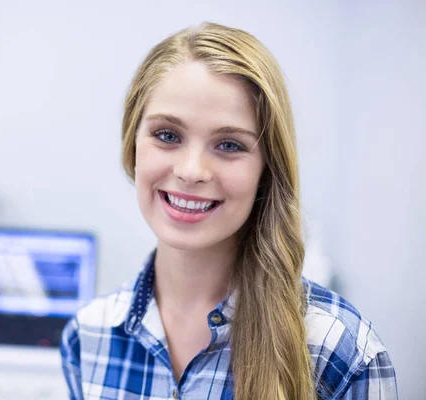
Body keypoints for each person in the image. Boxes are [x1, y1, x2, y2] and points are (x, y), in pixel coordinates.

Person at [60, 22, 398, 399]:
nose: (191, 171)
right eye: (167, 135)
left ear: (266, 169)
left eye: (229, 145)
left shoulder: (340, 351)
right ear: (132, 145)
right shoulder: (87, 337)